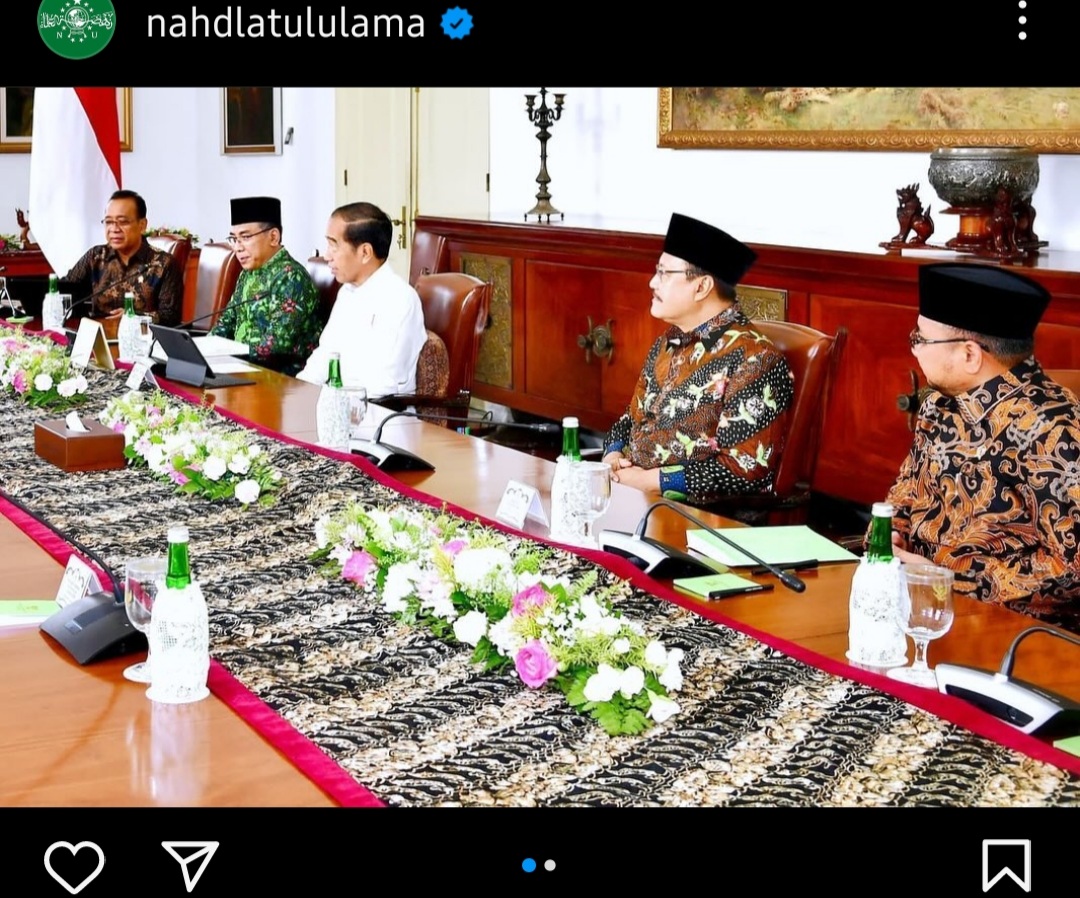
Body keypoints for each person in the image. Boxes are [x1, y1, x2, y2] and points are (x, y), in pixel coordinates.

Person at [886, 263, 1080, 633]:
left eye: (921, 339)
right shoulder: (938, 405)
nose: (915, 350)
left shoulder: (1053, 429)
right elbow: (906, 491)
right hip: (915, 603)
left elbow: (1072, 569)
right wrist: (890, 534)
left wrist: (948, 580)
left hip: (1013, 630)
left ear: (970, 355)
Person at [602, 213, 794, 505]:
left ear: (702, 287)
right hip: (633, 499)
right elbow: (632, 419)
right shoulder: (668, 342)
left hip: (697, 518)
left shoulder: (756, 360)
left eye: (665, 273)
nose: (653, 282)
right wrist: (613, 456)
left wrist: (653, 482)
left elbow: (745, 470)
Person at [297, 202, 426, 394]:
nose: (327, 256)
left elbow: (383, 386)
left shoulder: (399, 300)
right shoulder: (347, 292)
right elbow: (325, 355)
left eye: (334, 246)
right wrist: (297, 391)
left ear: (365, 252)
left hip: (378, 409)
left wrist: (331, 400)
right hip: (338, 401)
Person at [211, 196, 322, 376]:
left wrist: (224, 354)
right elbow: (227, 321)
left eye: (245, 237)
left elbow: (274, 347)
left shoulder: (291, 277)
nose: (237, 248)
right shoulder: (248, 273)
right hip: (241, 369)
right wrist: (203, 348)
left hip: (280, 380)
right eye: (234, 239)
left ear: (273, 237)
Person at [61, 189, 183, 326]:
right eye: (108, 222)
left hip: (142, 337)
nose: (114, 229)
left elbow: (170, 316)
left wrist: (134, 317)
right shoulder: (96, 256)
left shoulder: (164, 264)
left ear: (142, 225)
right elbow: (66, 289)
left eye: (123, 222)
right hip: (99, 336)